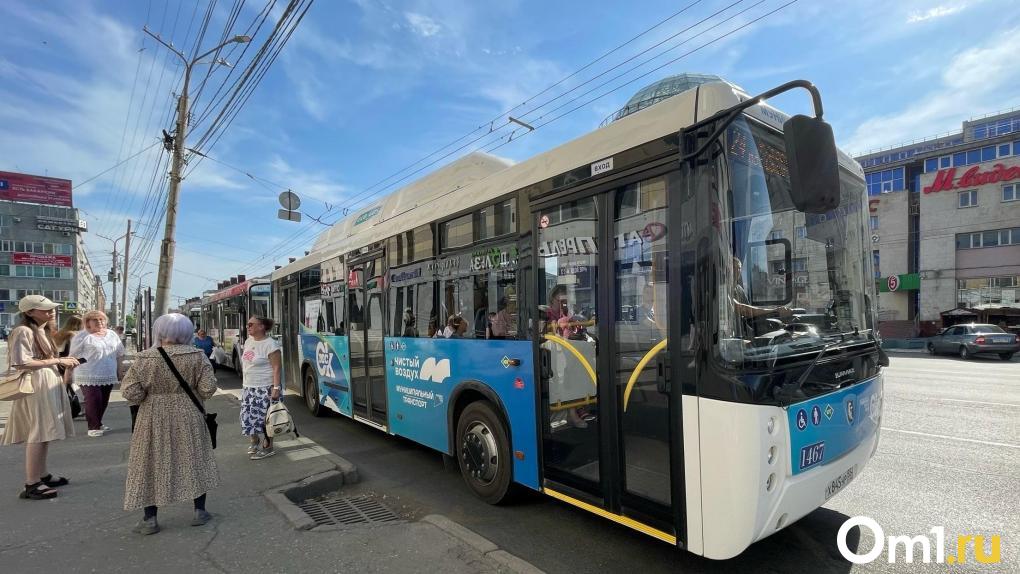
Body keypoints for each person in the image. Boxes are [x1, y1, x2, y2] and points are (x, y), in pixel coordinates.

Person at [122, 313, 218, 535]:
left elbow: (130, 392)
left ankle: (149, 519)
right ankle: (199, 511)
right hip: (188, 413)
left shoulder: (145, 358)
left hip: (151, 416)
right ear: (186, 332)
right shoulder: (197, 356)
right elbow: (207, 389)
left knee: (150, 462)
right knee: (194, 458)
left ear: (160, 332)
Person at [2, 295, 80, 500]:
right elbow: (20, 362)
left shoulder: (40, 330)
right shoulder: (23, 331)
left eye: (51, 308)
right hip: (37, 383)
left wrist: (59, 362)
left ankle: (41, 475)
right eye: (45, 309)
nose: (51, 311)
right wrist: (57, 360)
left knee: (44, 431)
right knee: (38, 432)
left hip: (46, 381)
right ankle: (32, 482)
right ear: (29, 312)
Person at [68, 310, 125, 437]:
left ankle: (98, 422)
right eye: (95, 320)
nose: (99, 322)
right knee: (94, 399)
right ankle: (93, 426)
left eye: (102, 319)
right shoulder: (82, 336)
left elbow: (120, 353)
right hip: (88, 373)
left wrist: (120, 370)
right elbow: (73, 356)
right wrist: (68, 372)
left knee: (104, 400)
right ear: (87, 322)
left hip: (108, 372)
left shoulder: (111, 334)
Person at [240, 316, 282, 460]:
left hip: (265, 388)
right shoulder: (248, 341)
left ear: (262, 326)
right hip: (249, 388)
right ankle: (254, 441)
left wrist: (276, 388)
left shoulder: (271, 344)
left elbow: (277, 368)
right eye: (247, 324)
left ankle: (268, 446)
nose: (248, 326)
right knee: (248, 418)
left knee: (266, 420)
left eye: (251, 324)